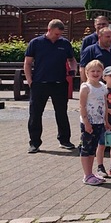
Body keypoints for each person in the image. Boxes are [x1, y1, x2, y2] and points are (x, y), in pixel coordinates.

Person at [24, 19, 78, 153]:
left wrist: (73, 69)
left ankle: (64, 140)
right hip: (39, 83)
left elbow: (72, 59)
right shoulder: (36, 43)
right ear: (49, 30)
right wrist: (30, 80)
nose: (58, 37)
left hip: (59, 84)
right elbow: (28, 63)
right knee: (35, 114)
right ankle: (34, 143)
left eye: (60, 34)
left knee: (61, 113)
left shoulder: (64, 43)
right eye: (56, 34)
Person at [78, 60, 107, 185]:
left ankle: (90, 173)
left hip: (99, 122)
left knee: (93, 148)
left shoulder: (103, 87)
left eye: (98, 71)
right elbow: (82, 106)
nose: (95, 73)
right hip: (88, 123)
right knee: (86, 148)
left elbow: (105, 105)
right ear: (87, 72)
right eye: (93, 71)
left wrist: (106, 121)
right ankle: (86, 175)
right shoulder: (86, 87)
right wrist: (86, 122)